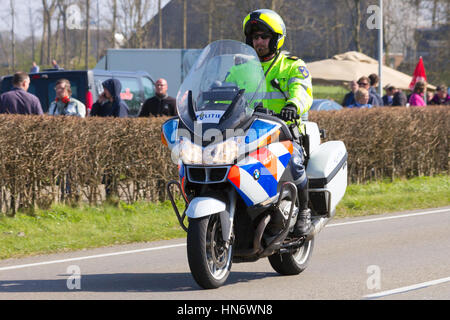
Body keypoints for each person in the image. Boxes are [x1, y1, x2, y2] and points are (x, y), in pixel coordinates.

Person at [238, 9, 314, 237]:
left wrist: (293, 105)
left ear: (276, 39)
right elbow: (223, 95)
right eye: (255, 37)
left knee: (294, 162)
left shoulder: (292, 66)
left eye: (264, 36)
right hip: (246, 134)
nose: (258, 41)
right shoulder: (240, 70)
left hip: (285, 132)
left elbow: (302, 91)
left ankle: (304, 212)